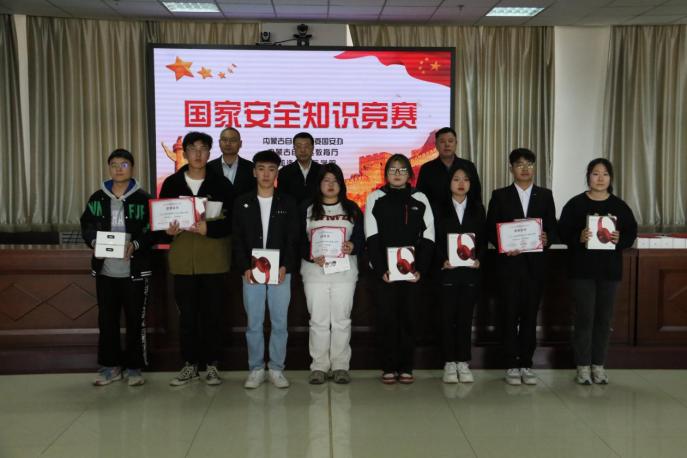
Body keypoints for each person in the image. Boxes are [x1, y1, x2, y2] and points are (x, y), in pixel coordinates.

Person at [159, 131, 233, 387]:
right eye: (193, 149)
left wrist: (209, 228)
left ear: (210, 153)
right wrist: (167, 232)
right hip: (183, 262)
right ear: (186, 153)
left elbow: (233, 222)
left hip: (213, 260)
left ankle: (212, 365)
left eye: (203, 149)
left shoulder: (221, 185)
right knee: (187, 317)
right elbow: (159, 222)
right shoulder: (171, 183)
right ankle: (189, 364)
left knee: (213, 316)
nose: (198, 154)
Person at [558, 158, 637, 385]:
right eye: (595, 173)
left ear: (611, 178)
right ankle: (582, 366)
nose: (600, 178)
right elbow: (562, 232)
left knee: (604, 319)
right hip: (581, 271)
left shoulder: (620, 206)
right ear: (588, 177)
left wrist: (620, 239)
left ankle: (598, 365)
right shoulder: (575, 204)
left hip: (609, 272)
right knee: (584, 318)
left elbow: (631, 233)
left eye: (605, 174)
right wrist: (578, 237)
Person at [80, 149, 153, 387]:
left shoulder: (144, 198)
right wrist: (94, 242)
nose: (119, 169)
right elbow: (87, 225)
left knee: (135, 320)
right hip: (106, 271)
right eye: (114, 165)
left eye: (124, 164)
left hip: (135, 271)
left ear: (132, 168)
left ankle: (134, 368)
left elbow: (153, 230)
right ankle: (110, 367)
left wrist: (136, 244)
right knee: (107, 320)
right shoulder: (97, 198)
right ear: (108, 168)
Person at [486, 148, 557, 386]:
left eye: (529, 164)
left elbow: (552, 227)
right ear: (511, 168)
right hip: (508, 266)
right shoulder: (500, 195)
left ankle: (526, 363)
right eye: (519, 164)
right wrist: (504, 244)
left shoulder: (545, 195)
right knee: (508, 315)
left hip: (535, 268)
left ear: (534, 167)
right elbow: (490, 229)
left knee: (529, 316)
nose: (525, 168)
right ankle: (511, 364)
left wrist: (547, 238)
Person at [365, 154, 435, 384]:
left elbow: (429, 236)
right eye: (393, 170)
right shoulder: (375, 197)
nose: (397, 174)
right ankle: (388, 366)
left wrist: (420, 268)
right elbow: (371, 236)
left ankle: (406, 367)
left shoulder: (420, 198)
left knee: (409, 318)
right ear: (385, 174)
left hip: (412, 273)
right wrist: (381, 270)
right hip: (385, 273)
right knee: (386, 318)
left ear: (410, 174)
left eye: (402, 170)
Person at [233, 150, 299, 389]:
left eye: (271, 169)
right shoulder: (242, 202)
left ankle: (277, 368)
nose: (266, 174)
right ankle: (256, 368)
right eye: (261, 169)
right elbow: (237, 239)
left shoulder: (287, 202)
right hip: (251, 272)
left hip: (280, 271)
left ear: (277, 173)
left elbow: (293, 238)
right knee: (254, 322)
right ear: (254, 172)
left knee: (280, 322)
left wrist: (286, 265)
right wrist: (244, 267)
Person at [300, 163, 364, 385]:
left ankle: (340, 366)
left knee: (341, 320)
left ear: (341, 184)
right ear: (319, 184)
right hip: (314, 273)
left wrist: (352, 246)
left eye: (335, 181)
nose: (330, 185)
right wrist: (310, 256)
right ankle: (318, 366)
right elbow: (298, 239)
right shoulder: (307, 208)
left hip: (344, 273)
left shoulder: (352, 209)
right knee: (318, 320)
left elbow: (362, 238)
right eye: (326, 180)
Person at [435, 164, 486, 384]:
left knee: (465, 319)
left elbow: (483, 239)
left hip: (470, 273)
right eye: (456, 179)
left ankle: (463, 362)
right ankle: (449, 362)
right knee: (447, 319)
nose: (461, 183)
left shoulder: (478, 208)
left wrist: (479, 258)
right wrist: (441, 260)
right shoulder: (439, 208)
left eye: (465, 179)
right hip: (447, 272)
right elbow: (434, 239)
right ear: (449, 183)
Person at [417, 127, 482, 215]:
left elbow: (476, 195)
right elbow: (421, 198)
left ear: (456, 143)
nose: (447, 145)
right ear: (436, 145)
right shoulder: (427, 169)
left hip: (464, 217)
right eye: (442, 141)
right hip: (435, 218)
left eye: (450, 141)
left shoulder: (468, 166)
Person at [207, 127, 257, 197]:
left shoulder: (251, 168)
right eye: (224, 140)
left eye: (233, 140)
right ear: (219, 143)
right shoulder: (209, 168)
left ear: (240, 143)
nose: (228, 143)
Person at [277, 131, 322, 204]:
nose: (303, 150)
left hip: (317, 210)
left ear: (312, 148)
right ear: (294, 148)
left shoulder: (322, 170)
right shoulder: (284, 172)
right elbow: (281, 199)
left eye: (306, 146)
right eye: (299, 146)